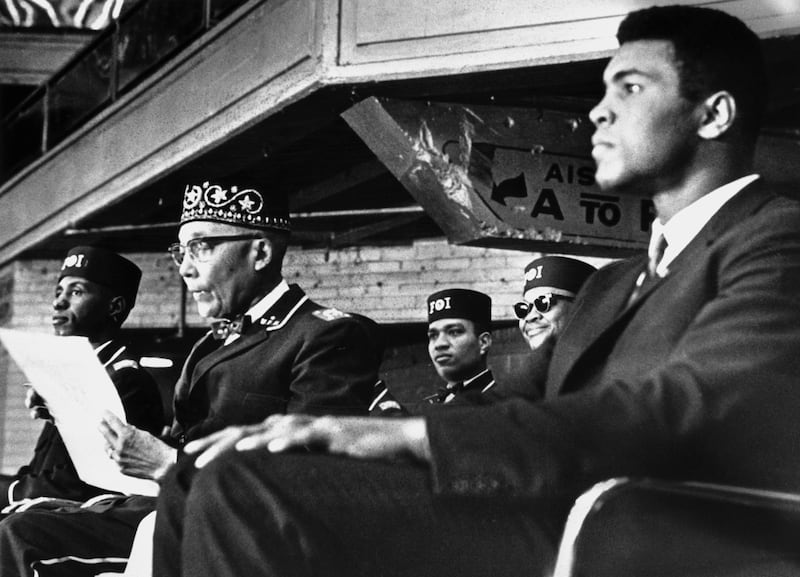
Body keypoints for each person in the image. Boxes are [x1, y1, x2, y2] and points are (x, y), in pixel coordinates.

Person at [153, 5, 800, 577]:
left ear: (714, 114)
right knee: (194, 476)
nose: (598, 109)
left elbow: (689, 407)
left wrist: (406, 440)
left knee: (243, 489)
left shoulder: (775, 238)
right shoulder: (612, 285)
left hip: (641, 535)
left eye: (630, 87)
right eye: (603, 89)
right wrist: (338, 429)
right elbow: (506, 405)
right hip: (550, 511)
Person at [0, 177, 382, 576]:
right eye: (180, 250)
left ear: (261, 251)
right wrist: (68, 407)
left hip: (233, 530)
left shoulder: (326, 333)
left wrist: (167, 463)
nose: (183, 267)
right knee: (25, 522)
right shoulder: (207, 348)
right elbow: (178, 444)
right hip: (168, 508)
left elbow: (311, 476)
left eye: (200, 246)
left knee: (21, 535)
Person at [0, 246, 164, 511]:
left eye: (76, 292)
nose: (58, 302)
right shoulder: (72, 377)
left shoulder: (126, 381)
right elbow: (44, 469)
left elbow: (81, 485)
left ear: (115, 307)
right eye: (58, 292)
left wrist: (9, 491)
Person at [370, 288, 495, 415]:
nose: (439, 344)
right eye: (433, 335)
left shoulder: (502, 408)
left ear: (483, 342)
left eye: (454, 332)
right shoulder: (431, 405)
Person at [509, 255, 597, 399]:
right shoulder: (530, 380)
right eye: (523, 309)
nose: (530, 317)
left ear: (580, 310)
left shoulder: (603, 378)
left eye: (543, 303)